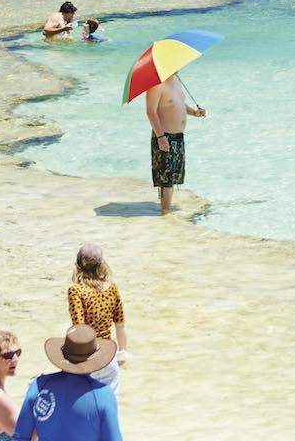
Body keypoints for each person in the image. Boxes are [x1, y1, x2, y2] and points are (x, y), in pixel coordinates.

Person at [9, 325, 122, 441]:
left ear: (63, 354)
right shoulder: (103, 395)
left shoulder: (39, 385)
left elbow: (20, 437)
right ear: (95, 358)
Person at [143, 67, 207, 216]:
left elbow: (178, 104)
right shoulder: (156, 84)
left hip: (178, 137)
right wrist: (160, 137)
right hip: (164, 136)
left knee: (174, 176)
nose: (180, 66)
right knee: (166, 180)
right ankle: (165, 215)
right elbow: (150, 111)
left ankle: (167, 212)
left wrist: (194, 113)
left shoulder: (176, 80)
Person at [65, 245, 128, 392]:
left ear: (78, 265)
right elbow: (120, 326)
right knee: (110, 408)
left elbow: (80, 330)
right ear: (102, 264)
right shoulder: (112, 288)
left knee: (86, 409)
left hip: (88, 357)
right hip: (109, 356)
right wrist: (122, 353)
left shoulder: (76, 291)